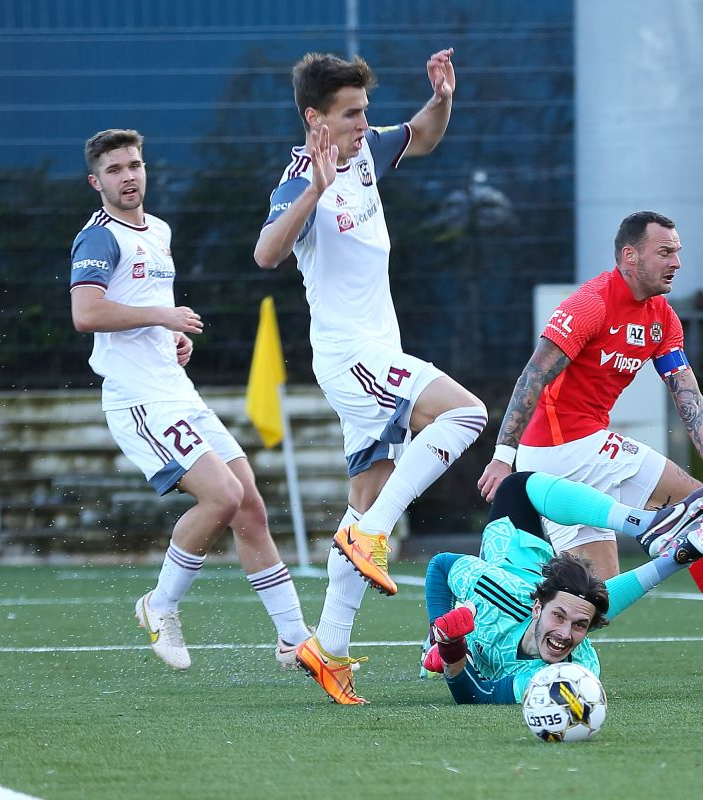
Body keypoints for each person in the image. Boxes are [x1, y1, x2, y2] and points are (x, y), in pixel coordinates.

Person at [478, 210, 703, 675]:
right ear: (630, 256)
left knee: (593, 596)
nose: (676, 262)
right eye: (665, 252)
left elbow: (690, 401)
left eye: (677, 252)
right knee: (697, 507)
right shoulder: (591, 303)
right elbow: (532, 375)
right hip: (564, 445)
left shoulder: (663, 318)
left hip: (570, 452)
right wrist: (503, 457)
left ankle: (495, 644)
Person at [253, 51, 488, 699]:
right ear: (315, 119)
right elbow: (266, 252)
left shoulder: (364, 151)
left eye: (365, 111)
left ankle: (328, 646)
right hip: (351, 357)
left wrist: (441, 97)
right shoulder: (299, 179)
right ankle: (373, 534)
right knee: (466, 413)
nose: (364, 123)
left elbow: (422, 136)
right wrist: (315, 189)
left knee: (367, 496)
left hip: (374, 353)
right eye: (351, 114)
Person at [69, 129, 312, 672]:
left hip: (177, 391)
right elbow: (86, 314)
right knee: (222, 497)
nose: (128, 176)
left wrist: (171, 336)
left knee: (250, 506)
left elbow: (140, 304)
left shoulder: (158, 230)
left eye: (134, 165)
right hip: (139, 401)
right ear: (95, 182)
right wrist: (163, 316)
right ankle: (159, 605)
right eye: (114, 170)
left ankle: (294, 639)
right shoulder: (99, 238)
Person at [424, 471, 703, 705]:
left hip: (518, 603)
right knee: (515, 486)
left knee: (584, 608)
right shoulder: (494, 589)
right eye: (558, 617)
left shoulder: (573, 672)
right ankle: (649, 530)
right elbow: (441, 565)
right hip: (516, 555)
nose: (565, 634)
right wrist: (438, 632)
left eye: (580, 626)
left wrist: (451, 648)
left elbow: (477, 695)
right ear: (536, 607)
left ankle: (670, 554)